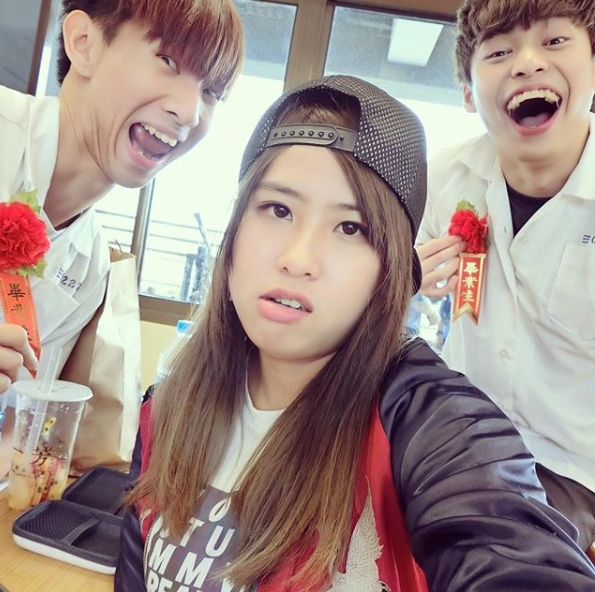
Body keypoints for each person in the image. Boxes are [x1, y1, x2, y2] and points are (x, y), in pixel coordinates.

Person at [115, 76, 595, 592]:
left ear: (390, 271)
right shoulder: (167, 409)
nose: (298, 258)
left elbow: (517, 555)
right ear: (233, 234)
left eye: (350, 228)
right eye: (278, 210)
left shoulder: (427, 423)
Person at [416, 0, 595, 556]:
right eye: (498, 52)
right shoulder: (445, 176)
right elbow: (379, 287)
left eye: (555, 41)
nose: (527, 63)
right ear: (469, 94)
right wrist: (405, 277)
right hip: (456, 432)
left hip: (572, 467)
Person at [0, 0, 244, 394]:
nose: (190, 113)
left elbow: (25, 405)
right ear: (84, 43)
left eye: (211, 91)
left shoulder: (90, 266)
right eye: (167, 60)